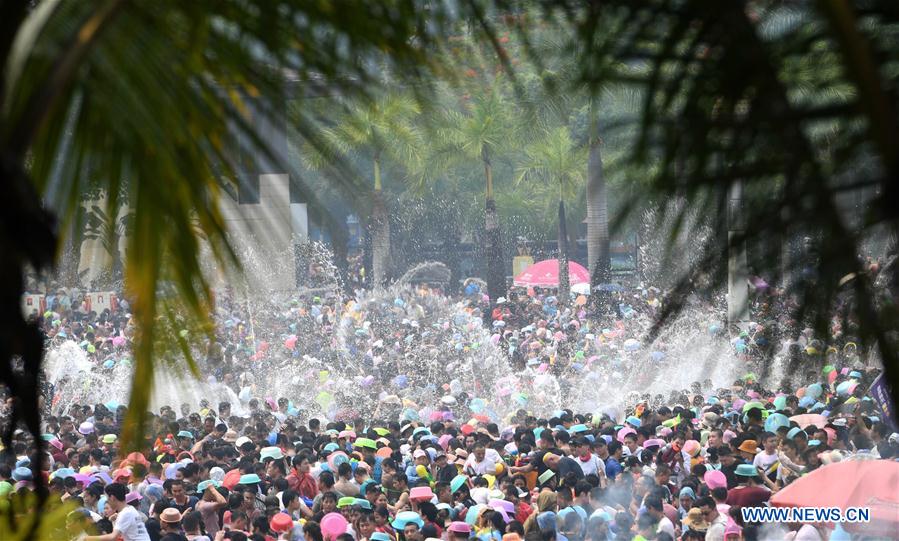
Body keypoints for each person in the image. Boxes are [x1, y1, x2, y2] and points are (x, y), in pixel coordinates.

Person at [84, 483, 151, 541]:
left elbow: (113, 537)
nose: (108, 502)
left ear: (112, 498)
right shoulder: (129, 509)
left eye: (107, 499)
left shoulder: (125, 513)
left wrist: (88, 538)